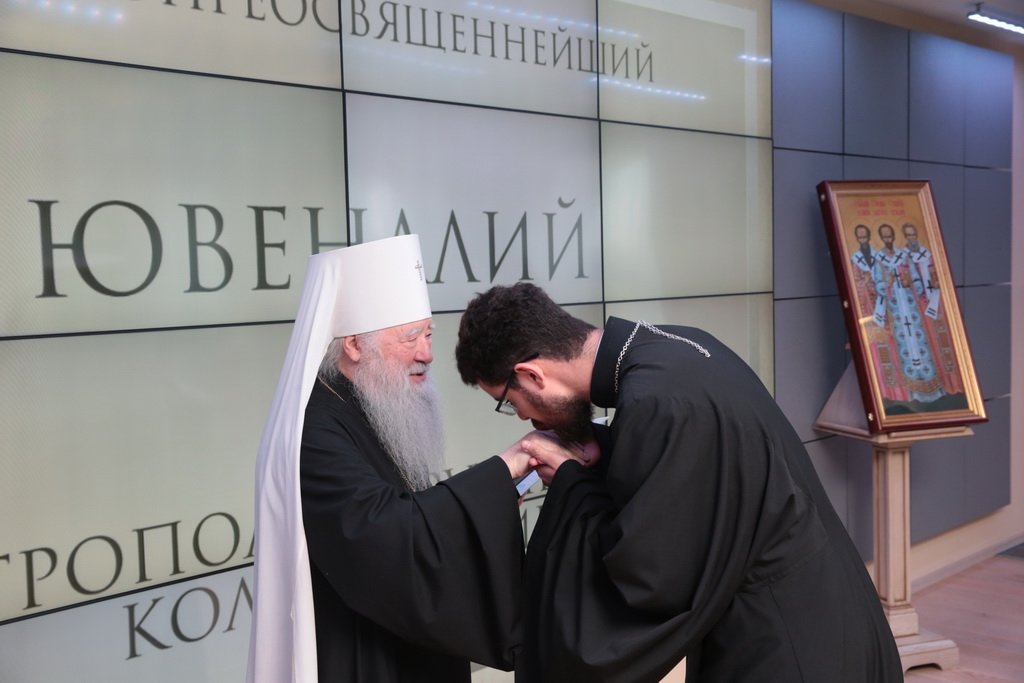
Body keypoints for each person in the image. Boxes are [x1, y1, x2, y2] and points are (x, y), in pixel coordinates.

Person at [455, 282, 904, 682]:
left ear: (532, 374)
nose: (524, 417)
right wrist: (601, 450)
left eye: (509, 402)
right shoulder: (674, 348)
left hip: (786, 640)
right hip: (825, 605)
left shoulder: (657, 402)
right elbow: (697, 471)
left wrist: (572, 482)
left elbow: (651, 576)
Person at [246, 236, 573, 683]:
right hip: (364, 655)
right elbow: (385, 538)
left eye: (428, 334)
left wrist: (493, 497)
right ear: (354, 345)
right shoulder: (316, 432)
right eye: (410, 338)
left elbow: (411, 516)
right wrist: (507, 467)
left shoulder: (373, 402)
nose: (426, 353)